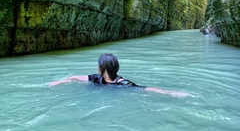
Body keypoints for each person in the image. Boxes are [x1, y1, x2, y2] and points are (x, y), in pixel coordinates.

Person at [49, 53, 189, 97]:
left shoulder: (123, 83)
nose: (96, 67)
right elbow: (77, 77)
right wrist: (61, 82)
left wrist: (170, 92)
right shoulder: (96, 79)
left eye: (98, 65)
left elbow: (145, 88)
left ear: (101, 68)